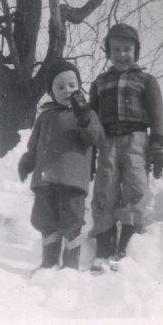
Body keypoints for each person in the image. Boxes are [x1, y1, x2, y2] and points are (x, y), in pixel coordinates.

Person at [87, 23, 163, 272]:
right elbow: (92, 118)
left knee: (135, 189)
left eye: (127, 49)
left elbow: (156, 116)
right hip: (107, 141)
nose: (122, 54)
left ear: (136, 52)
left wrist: (157, 147)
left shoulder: (146, 80)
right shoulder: (99, 82)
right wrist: (91, 152)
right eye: (116, 49)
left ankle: (126, 250)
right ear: (108, 53)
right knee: (104, 191)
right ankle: (103, 251)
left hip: (136, 140)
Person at [18, 60, 104, 271]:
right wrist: (27, 162)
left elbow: (94, 138)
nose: (67, 90)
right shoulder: (45, 116)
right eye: (60, 87)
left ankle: (70, 266)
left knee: (71, 223)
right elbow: (34, 145)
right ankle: (48, 264)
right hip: (45, 181)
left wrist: (84, 118)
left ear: (80, 87)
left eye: (72, 85)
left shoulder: (87, 115)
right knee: (46, 221)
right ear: (51, 92)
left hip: (72, 182)